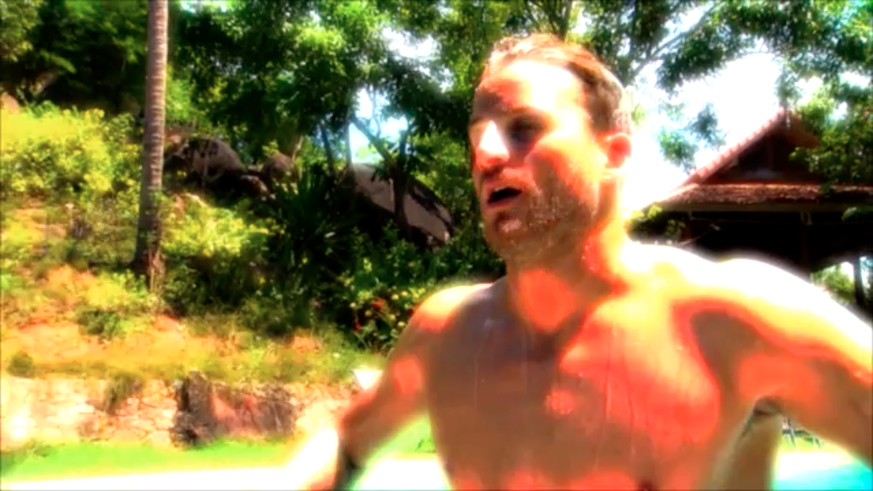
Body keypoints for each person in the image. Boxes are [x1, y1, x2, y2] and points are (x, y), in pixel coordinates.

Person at [282, 33, 872, 490]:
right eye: (477, 136)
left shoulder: (735, 317)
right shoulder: (447, 336)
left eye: (524, 129)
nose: (486, 154)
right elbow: (346, 442)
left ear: (613, 155)